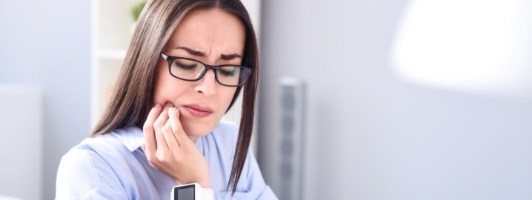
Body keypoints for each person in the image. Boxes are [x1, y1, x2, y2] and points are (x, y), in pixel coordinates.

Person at [55, 0, 277, 199]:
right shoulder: (92, 168)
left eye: (228, 70)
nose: (208, 88)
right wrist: (194, 186)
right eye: (186, 65)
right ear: (147, 62)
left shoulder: (229, 143)